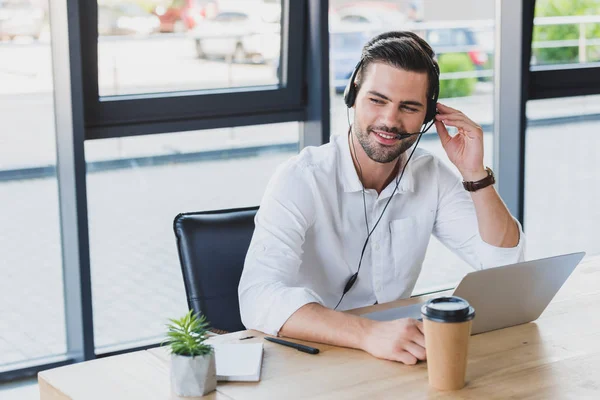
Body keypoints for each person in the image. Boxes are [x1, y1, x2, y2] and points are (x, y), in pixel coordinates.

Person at [238, 31, 524, 365]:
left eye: (409, 107)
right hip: (311, 357)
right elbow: (257, 298)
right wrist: (367, 333)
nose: (390, 120)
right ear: (352, 94)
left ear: (429, 116)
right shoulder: (301, 178)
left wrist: (475, 174)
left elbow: (505, 266)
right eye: (377, 100)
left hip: (392, 357)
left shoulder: (430, 175)